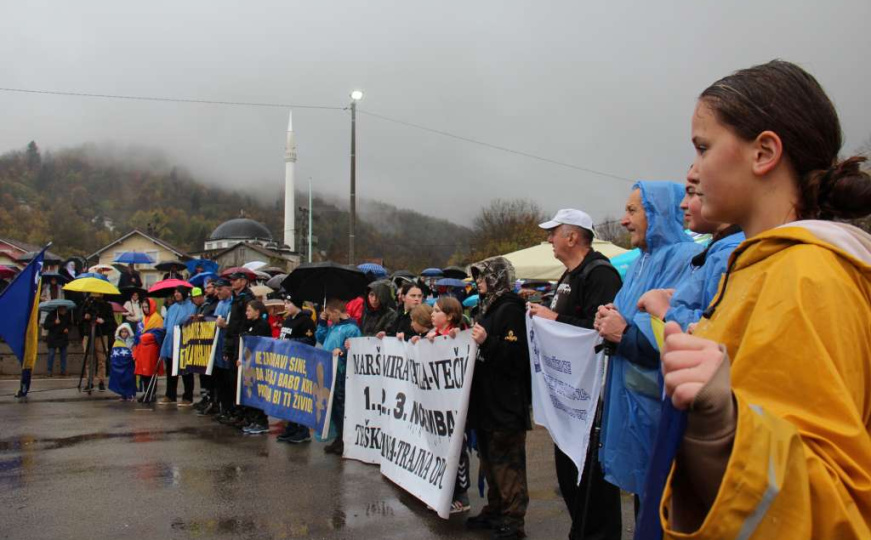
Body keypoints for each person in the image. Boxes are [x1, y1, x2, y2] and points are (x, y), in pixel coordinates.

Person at [657, 60, 871, 539]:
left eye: (703, 147)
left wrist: (723, 432)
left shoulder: (808, 275)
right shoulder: (765, 265)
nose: (691, 171)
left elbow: (837, 510)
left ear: (764, 153)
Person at [593, 181, 703, 500]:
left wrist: (621, 332)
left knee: (664, 502)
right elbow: (625, 317)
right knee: (646, 500)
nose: (624, 221)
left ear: (658, 213)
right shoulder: (641, 260)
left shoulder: (686, 257)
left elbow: (667, 336)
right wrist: (608, 316)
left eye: (632, 211)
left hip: (657, 407)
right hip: (632, 404)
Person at [527, 209, 624, 540]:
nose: (549, 239)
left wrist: (553, 319)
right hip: (567, 401)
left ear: (572, 237)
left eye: (553, 232)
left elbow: (602, 331)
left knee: (593, 483)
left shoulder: (600, 275)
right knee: (569, 477)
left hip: (591, 402)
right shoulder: (567, 276)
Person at [466, 256, 532, 540]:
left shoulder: (510, 310)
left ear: (497, 278)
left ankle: (513, 518)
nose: (478, 281)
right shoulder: (487, 308)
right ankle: (495, 509)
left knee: (508, 464)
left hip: (506, 403)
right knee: (490, 461)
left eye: (483, 276)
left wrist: (487, 342)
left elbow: (517, 357)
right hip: (487, 401)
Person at [637, 166, 744, 329]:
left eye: (693, 192)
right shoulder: (717, 252)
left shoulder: (729, 255)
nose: (682, 204)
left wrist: (666, 311)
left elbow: (724, 331)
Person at [316, 298, 362, 455]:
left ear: (337, 312)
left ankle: (345, 439)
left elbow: (355, 346)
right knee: (333, 407)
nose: (328, 318)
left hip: (342, 372)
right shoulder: (334, 326)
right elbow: (321, 339)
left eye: (329, 315)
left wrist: (342, 349)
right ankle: (338, 438)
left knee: (341, 407)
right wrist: (322, 324)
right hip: (330, 369)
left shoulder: (351, 328)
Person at [277, 294, 318, 444]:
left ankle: (303, 430)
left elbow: (310, 341)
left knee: (298, 397)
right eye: (285, 303)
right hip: (286, 363)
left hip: (300, 363)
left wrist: (291, 342)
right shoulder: (287, 320)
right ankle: (292, 427)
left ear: (296, 305)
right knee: (288, 397)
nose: (285, 306)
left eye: (288, 303)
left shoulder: (306, 321)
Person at [216, 272, 254, 427]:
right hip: (232, 343)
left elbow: (244, 325)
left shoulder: (247, 299)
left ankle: (244, 414)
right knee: (232, 381)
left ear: (243, 281)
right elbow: (232, 327)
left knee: (241, 382)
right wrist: (227, 349)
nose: (232, 282)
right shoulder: (235, 299)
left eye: (235, 280)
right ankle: (236, 411)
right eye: (231, 280)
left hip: (242, 344)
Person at [157, 287, 197, 406]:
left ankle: (188, 397)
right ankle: (170, 395)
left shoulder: (192, 306)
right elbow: (166, 325)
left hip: (184, 343)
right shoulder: (172, 307)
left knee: (186, 372)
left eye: (178, 292)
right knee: (170, 370)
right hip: (170, 343)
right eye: (175, 292)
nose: (176, 294)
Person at [239, 300, 273, 435]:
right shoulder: (249, 324)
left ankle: (261, 421)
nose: (246, 313)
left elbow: (261, 344)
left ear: (257, 312)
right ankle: (252, 418)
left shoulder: (263, 325)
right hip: (249, 364)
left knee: (258, 392)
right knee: (250, 391)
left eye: (249, 310)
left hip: (259, 365)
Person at [204, 279, 233, 417]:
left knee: (228, 380)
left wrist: (226, 325)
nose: (217, 292)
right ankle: (221, 407)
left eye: (220, 289)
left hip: (228, 345)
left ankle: (229, 409)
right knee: (218, 379)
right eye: (216, 289)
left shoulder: (233, 303)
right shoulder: (220, 303)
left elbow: (236, 324)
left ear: (228, 289)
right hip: (218, 345)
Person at [80, 293, 117, 392]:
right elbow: (79, 319)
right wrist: (85, 317)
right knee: (88, 359)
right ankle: (89, 381)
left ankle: (101, 381)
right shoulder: (87, 304)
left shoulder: (106, 306)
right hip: (89, 334)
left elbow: (112, 323)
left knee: (101, 359)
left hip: (101, 334)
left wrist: (103, 321)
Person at [134, 298, 164, 403]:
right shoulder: (143, 319)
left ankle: (151, 393)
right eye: (143, 307)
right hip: (142, 350)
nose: (145, 309)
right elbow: (138, 334)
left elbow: (160, 334)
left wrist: (149, 336)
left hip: (152, 350)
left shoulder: (157, 318)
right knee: (143, 373)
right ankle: (147, 392)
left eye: (146, 307)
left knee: (151, 372)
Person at [109, 323, 137, 401]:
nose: (124, 333)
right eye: (122, 332)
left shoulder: (132, 342)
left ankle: (130, 394)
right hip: (119, 365)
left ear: (129, 332)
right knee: (120, 379)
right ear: (119, 332)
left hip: (129, 365)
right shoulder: (116, 342)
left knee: (129, 380)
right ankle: (123, 394)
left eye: (125, 332)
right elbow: (113, 354)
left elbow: (134, 352)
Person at [43, 306, 72, 377]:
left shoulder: (66, 316)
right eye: (63, 310)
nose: (65, 311)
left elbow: (70, 324)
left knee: (63, 355)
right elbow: (45, 326)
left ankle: (63, 370)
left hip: (63, 337)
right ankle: (49, 371)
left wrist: (67, 329)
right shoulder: (51, 315)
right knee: (51, 354)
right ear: (59, 309)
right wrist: (54, 323)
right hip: (53, 338)